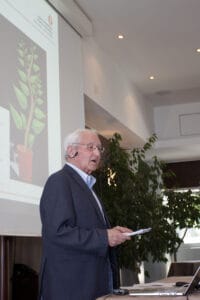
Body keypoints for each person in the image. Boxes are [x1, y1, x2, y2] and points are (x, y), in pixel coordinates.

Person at [39, 128, 132, 300]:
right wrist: (105, 237)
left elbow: (88, 228)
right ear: (71, 151)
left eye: (99, 148)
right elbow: (58, 232)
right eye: (90, 147)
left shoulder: (88, 187)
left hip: (93, 283)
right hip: (71, 288)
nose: (97, 153)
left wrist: (112, 233)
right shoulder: (59, 181)